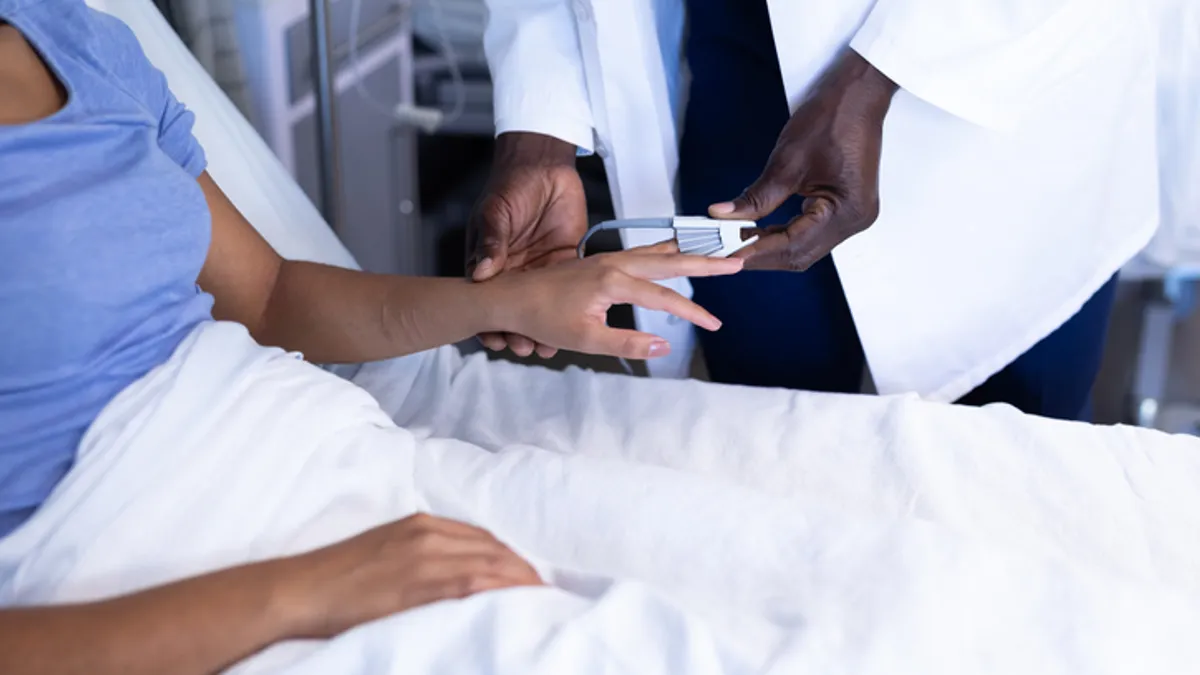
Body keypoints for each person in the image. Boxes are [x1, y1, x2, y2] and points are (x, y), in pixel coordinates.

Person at [0, 1, 743, 670]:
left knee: (739, 576)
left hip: (324, 451)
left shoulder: (74, 38)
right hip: (151, 573)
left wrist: (510, 303)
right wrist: (302, 593)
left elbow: (268, 293)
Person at [471, 0, 1159, 421]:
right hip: (741, 90)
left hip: (995, 96)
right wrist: (539, 128)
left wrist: (878, 74)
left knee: (1020, 460)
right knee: (767, 436)